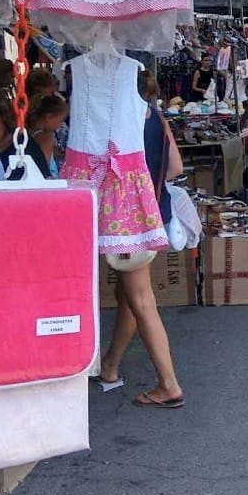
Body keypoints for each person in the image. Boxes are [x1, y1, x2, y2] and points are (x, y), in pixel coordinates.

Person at [98, 70, 185, 409]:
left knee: (140, 298)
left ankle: (168, 383)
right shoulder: (156, 116)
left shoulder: (120, 125)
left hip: (129, 222)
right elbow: (175, 167)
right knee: (130, 295)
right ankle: (110, 366)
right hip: (155, 216)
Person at [27, 93, 69, 177]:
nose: (60, 125)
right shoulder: (46, 138)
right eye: (60, 121)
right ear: (49, 117)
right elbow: (44, 167)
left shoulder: (29, 131)